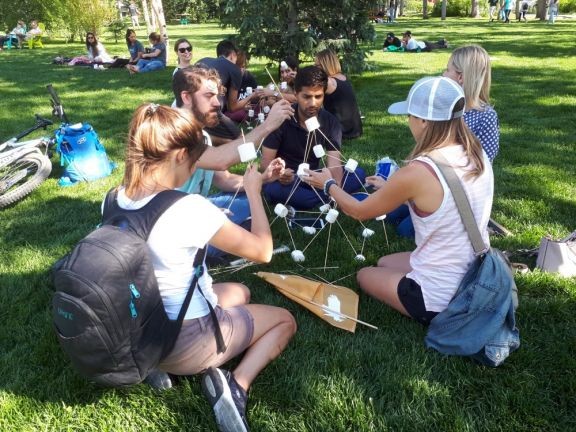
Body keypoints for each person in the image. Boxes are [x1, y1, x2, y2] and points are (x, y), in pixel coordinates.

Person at [117, 103, 296, 432]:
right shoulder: (188, 207)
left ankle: (158, 366)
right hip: (188, 343)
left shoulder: (115, 197)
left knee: (240, 291)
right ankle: (236, 384)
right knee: (284, 320)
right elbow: (263, 251)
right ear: (180, 156)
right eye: (196, 158)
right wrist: (255, 192)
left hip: (141, 331)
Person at [304, 76, 493, 325]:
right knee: (384, 262)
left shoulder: (419, 171)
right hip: (474, 270)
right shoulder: (475, 151)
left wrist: (328, 184)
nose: (408, 122)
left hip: (438, 296)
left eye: (410, 116)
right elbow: (442, 203)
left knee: (365, 274)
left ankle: (431, 303)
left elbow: (359, 211)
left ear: (424, 121)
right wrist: (394, 189)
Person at [172, 66, 286, 260]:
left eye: (218, 95)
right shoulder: (174, 134)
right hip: (169, 220)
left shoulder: (204, 136)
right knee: (246, 223)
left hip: (192, 207)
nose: (217, 103)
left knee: (248, 202)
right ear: (186, 97)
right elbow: (221, 160)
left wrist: (263, 179)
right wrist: (267, 126)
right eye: (209, 96)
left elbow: (223, 179)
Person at [261, 66, 366, 210]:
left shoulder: (330, 122)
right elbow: (265, 164)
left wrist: (333, 184)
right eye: (307, 97)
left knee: (358, 173)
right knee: (272, 189)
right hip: (288, 180)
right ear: (296, 94)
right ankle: (323, 197)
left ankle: (320, 197)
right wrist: (280, 174)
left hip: (315, 177)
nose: (313, 103)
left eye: (318, 97)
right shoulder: (281, 119)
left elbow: (334, 165)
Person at [196, 40, 247, 144]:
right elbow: (232, 107)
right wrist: (253, 96)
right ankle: (203, 137)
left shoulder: (203, 60)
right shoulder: (234, 69)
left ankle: (202, 135)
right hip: (210, 110)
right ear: (233, 55)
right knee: (241, 139)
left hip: (189, 106)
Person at [314, 49, 363, 140]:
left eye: (317, 65)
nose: (315, 68)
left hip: (340, 131)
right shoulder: (342, 77)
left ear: (325, 65)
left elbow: (309, 101)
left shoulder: (329, 82)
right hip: (354, 129)